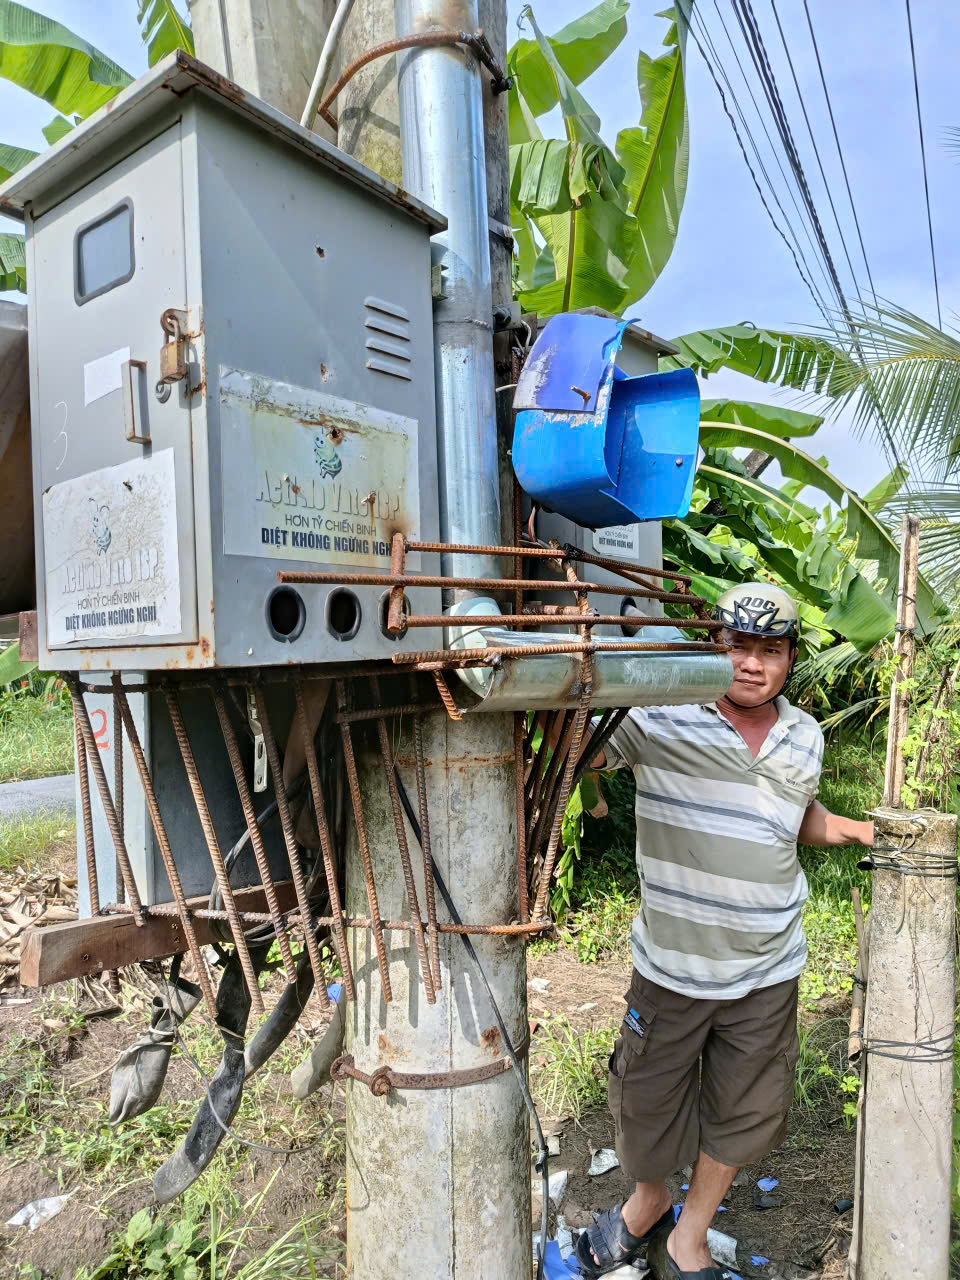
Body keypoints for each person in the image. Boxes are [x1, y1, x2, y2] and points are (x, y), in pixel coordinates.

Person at [576, 582, 874, 1280]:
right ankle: (647, 1204)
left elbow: (793, 811)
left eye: (769, 651)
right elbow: (583, 747)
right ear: (715, 646)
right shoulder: (659, 716)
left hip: (768, 968)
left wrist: (862, 828)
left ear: (789, 658)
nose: (751, 664)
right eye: (738, 645)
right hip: (673, 967)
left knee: (745, 1107)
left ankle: (692, 1234)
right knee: (645, 1104)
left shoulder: (805, 734)